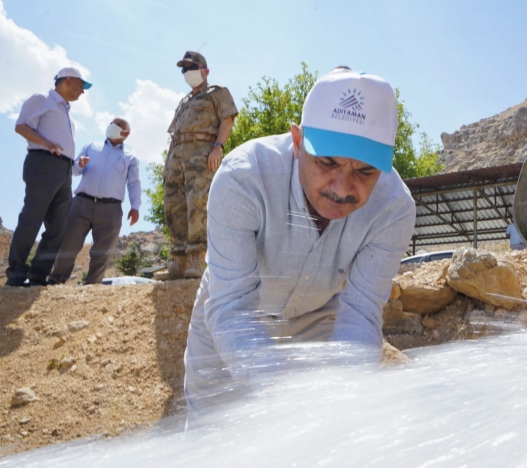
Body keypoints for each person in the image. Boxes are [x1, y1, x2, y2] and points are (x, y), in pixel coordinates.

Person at [183, 67, 417, 423]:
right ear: (297, 141)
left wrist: (344, 391)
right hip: (230, 313)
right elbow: (231, 306)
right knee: (210, 433)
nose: (342, 187)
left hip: (318, 316)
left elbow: (362, 311)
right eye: (327, 162)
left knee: (325, 432)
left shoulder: (394, 209)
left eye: (365, 171)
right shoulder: (243, 179)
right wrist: (283, 396)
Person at [5, 67, 92, 287]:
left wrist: (74, 164)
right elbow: (21, 125)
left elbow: (61, 146)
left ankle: (38, 274)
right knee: (32, 218)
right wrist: (44, 142)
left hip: (63, 170)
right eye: (82, 85)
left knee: (59, 225)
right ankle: (16, 272)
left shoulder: (67, 112)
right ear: (69, 81)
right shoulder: (42, 98)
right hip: (42, 163)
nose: (83, 91)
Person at [157, 51, 239, 281]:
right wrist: (167, 164)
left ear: (205, 70)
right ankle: (178, 262)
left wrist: (218, 146)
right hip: (177, 156)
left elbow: (227, 118)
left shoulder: (217, 92)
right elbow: (174, 136)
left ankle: (196, 260)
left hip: (202, 153)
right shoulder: (184, 101)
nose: (188, 73)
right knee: (174, 207)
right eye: (184, 69)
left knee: (198, 204)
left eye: (192, 67)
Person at [48, 118, 141, 285]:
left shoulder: (130, 157)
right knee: (68, 243)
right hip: (82, 203)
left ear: (126, 134)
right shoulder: (92, 146)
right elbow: (74, 170)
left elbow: (134, 183)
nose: (112, 126)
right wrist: (79, 164)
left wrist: (135, 207)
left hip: (111, 209)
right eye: (112, 123)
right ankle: (56, 280)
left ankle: (92, 285)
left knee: (103, 251)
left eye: (118, 125)